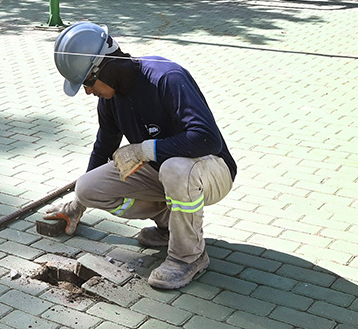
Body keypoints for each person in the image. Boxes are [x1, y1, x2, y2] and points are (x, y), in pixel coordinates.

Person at [45, 22, 237, 290]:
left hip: (211, 169)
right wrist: (77, 205)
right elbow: (103, 147)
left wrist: (143, 149)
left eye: (88, 82)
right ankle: (169, 224)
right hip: (165, 171)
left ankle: (188, 256)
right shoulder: (110, 101)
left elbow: (206, 138)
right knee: (88, 187)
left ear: (105, 67)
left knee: (175, 169)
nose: (88, 91)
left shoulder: (167, 78)